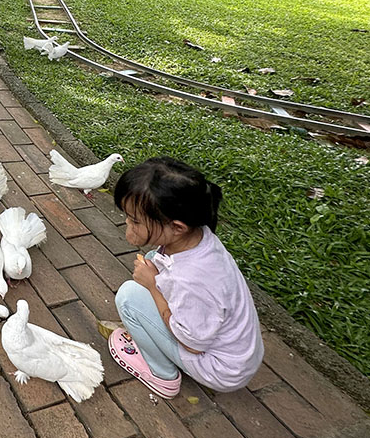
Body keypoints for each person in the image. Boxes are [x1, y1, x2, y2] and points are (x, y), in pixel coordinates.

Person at [109, 157, 263, 399]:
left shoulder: (190, 280)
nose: (127, 223)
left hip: (219, 368)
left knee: (129, 298)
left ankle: (162, 375)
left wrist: (153, 287)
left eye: (134, 220)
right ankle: (152, 333)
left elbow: (192, 343)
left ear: (177, 227)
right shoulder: (199, 237)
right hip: (237, 354)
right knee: (152, 257)